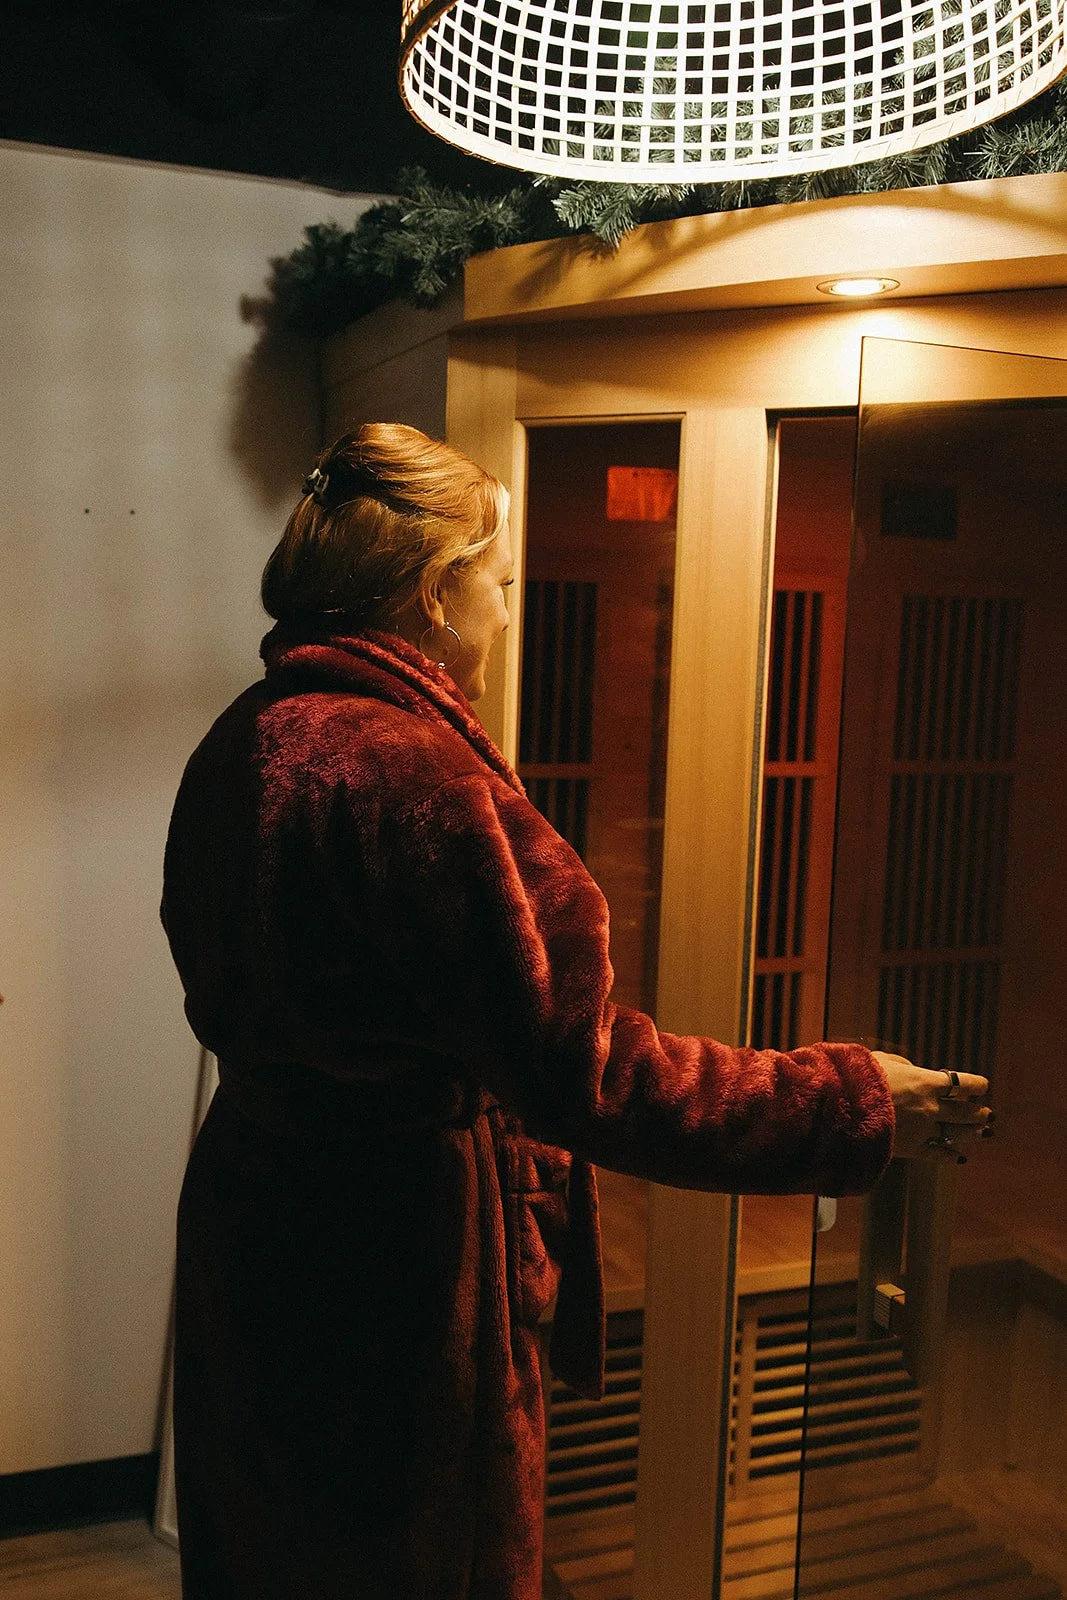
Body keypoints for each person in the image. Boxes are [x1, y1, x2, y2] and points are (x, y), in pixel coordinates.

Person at [161, 422, 993, 1600]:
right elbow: (591, 1073)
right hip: (397, 1275)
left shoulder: (239, 740)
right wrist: (844, 1101)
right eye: (499, 584)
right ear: (437, 590)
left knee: (275, 1551)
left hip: (257, 1228)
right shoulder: (415, 776)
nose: (507, 614)